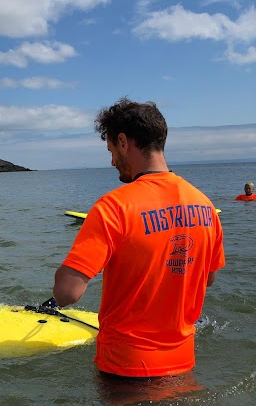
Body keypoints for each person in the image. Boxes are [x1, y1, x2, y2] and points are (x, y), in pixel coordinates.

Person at [49, 97, 225, 378]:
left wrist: (62, 273)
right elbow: (209, 278)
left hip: (125, 365)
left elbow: (67, 293)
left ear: (123, 141)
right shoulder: (205, 205)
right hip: (182, 361)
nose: (111, 161)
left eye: (110, 150)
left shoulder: (114, 206)